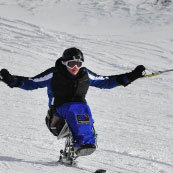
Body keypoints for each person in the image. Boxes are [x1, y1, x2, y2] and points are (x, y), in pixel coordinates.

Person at [0, 47, 145, 157]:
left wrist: (132, 76)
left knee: (83, 108)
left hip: (78, 112)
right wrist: (11, 80)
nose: (75, 68)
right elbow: (31, 83)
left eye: (78, 64)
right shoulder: (54, 74)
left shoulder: (85, 74)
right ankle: (83, 143)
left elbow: (106, 82)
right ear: (64, 63)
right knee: (74, 107)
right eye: (71, 64)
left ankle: (87, 143)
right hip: (56, 117)